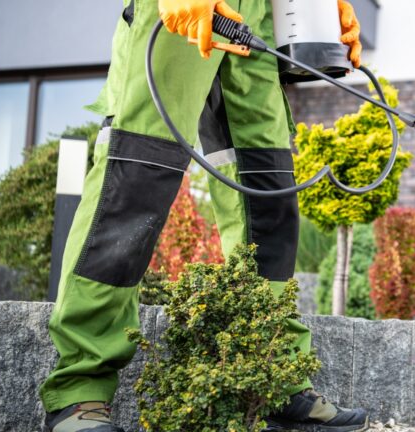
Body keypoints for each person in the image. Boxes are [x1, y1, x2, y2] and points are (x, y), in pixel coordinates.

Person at [39, 0, 365, 431]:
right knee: (136, 176)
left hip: (260, 15)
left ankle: (271, 377)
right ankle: (79, 391)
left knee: (266, 188)